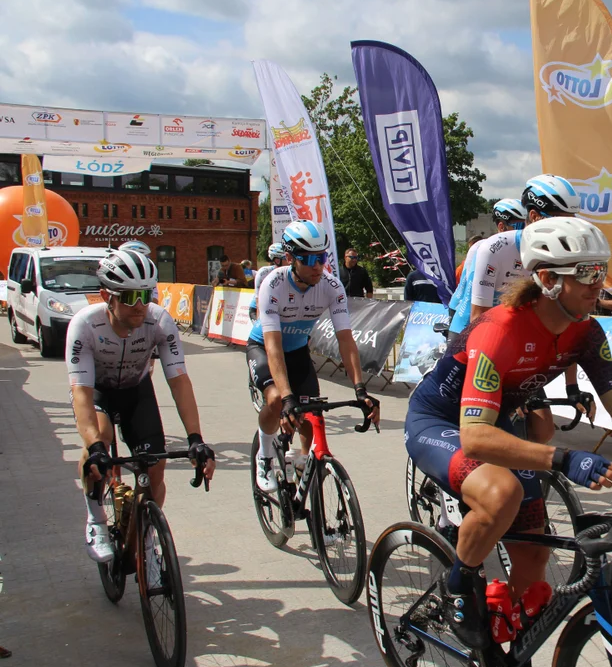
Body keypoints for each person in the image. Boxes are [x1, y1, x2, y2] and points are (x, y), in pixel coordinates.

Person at [405, 217, 612, 667]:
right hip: (442, 422)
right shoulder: (499, 330)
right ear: (548, 280)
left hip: (498, 422)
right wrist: (564, 457)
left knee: (534, 561)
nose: (599, 285)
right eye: (587, 274)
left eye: (602, 271)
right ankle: (457, 589)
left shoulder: (586, 331)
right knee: (501, 493)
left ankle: (505, 663)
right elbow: (474, 438)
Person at [66, 249, 216, 564]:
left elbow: (179, 381)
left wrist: (195, 438)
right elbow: (80, 391)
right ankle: (96, 521)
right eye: (130, 296)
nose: (139, 305)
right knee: (100, 441)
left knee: (155, 469)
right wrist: (93, 445)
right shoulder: (84, 325)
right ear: (107, 296)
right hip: (99, 392)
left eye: (145, 294)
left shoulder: (159, 321)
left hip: (136, 390)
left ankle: (146, 541)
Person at [246, 221, 380, 493]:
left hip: (296, 352)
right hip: (264, 347)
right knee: (275, 401)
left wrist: (360, 389)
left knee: (311, 412)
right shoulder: (273, 284)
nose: (318, 266)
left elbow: (346, 340)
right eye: (309, 259)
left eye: (322, 257)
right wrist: (285, 397)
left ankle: (304, 461)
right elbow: (273, 347)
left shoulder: (331, 286)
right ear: (291, 258)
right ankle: (265, 455)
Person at [447, 182, 572, 340]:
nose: (567, 229)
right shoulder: (492, 247)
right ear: (534, 217)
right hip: (468, 328)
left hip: (510, 328)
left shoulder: (559, 252)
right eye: (559, 221)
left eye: (572, 222)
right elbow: (478, 316)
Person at [248, 243, 289, 321]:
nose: (290, 261)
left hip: (277, 310)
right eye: (286, 258)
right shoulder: (264, 272)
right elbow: (258, 301)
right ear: (277, 260)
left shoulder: (290, 272)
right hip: (258, 309)